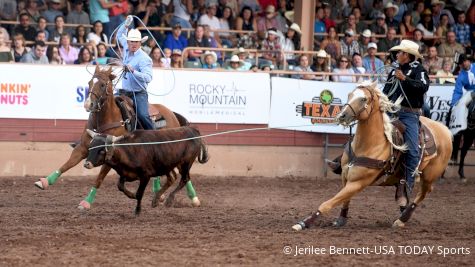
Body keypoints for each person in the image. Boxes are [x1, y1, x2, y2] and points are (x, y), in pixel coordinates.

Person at [383, 40, 429, 196]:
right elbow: (386, 91)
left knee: (413, 149)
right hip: (392, 111)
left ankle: (408, 183)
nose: (397, 54)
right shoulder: (394, 70)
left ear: (407, 55)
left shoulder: (419, 69)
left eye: (400, 52)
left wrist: (405, 79)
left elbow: (423, 87)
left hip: (409, 113)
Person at [116, 16, 154, 130]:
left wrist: (133, 71)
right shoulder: (127, 48)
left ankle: (154, 137)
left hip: (138, 93)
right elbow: (118, 35)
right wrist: (126, 25)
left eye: (136, 41)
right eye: (131, 41)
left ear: (140, 43)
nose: (133, 44)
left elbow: (148, 78)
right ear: (128, 42)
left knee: (142, 115)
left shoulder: (144, 58)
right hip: (124, 91)